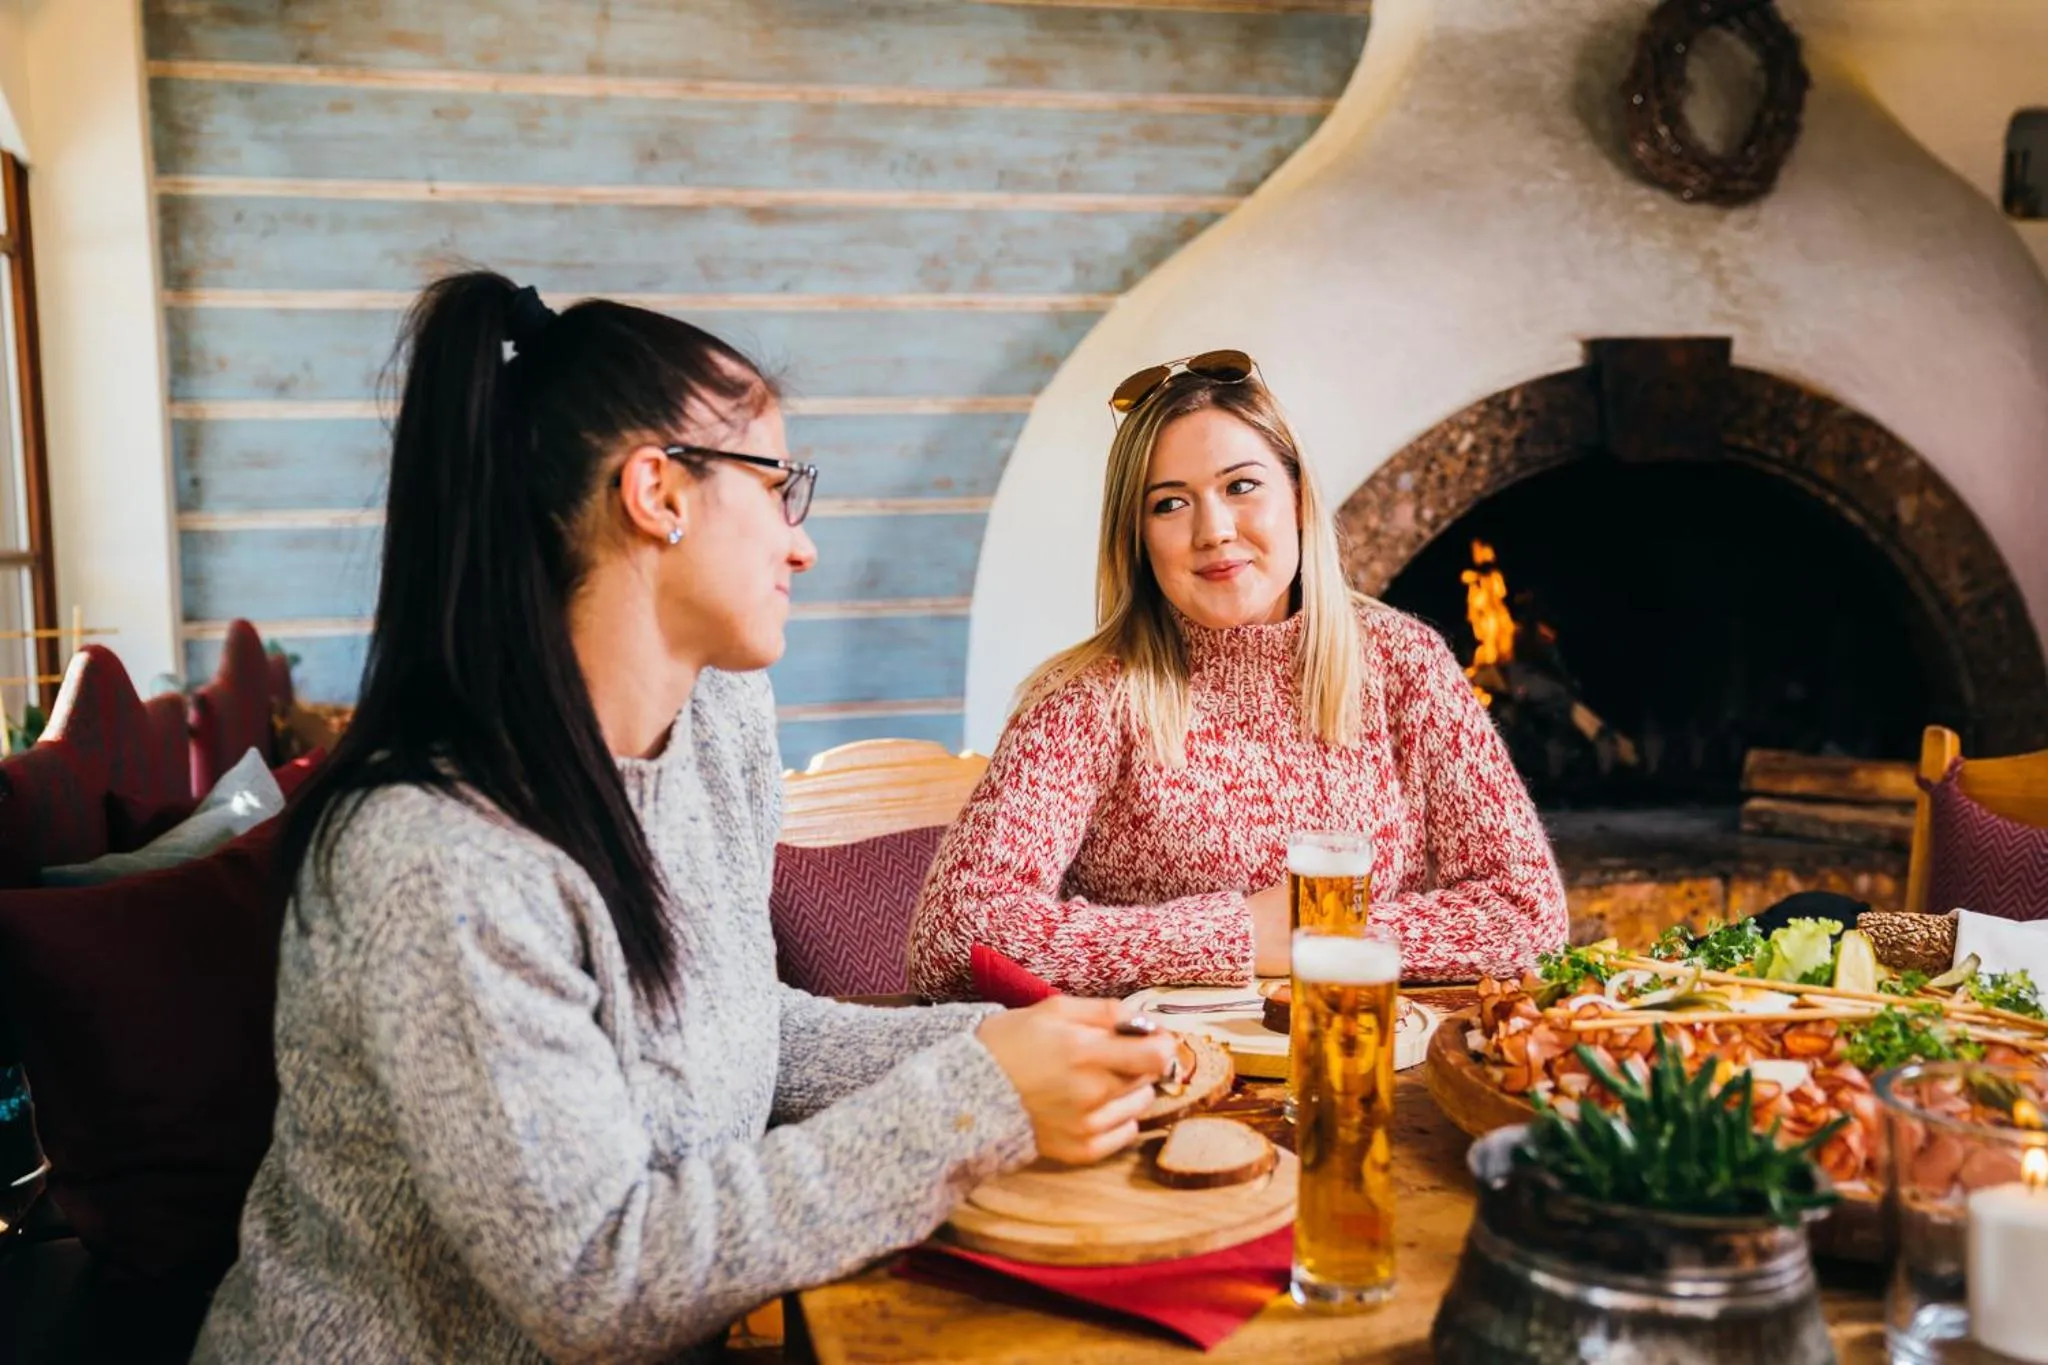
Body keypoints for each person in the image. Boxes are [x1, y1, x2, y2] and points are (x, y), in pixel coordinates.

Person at [193, 273, 1175, 1364]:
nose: (800, 545)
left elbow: (742, 1034)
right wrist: (979, 1096)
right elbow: (594, 1279)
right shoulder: (437, 853)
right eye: (776, 487)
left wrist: (1016, 1042)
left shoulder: (713, 719)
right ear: (656, 493)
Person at [908, 352, 1568, 1000]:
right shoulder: (1086, 699)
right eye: (1169, 504)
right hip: (1160, 1083)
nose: (1214, 531)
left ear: (1300, 499)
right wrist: (1239, 933)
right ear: (1137, 538)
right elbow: (953, 937)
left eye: (1241, 486)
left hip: (1370, 1062)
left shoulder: (1406, 664)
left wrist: (1325, 937)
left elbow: (1528, 914)